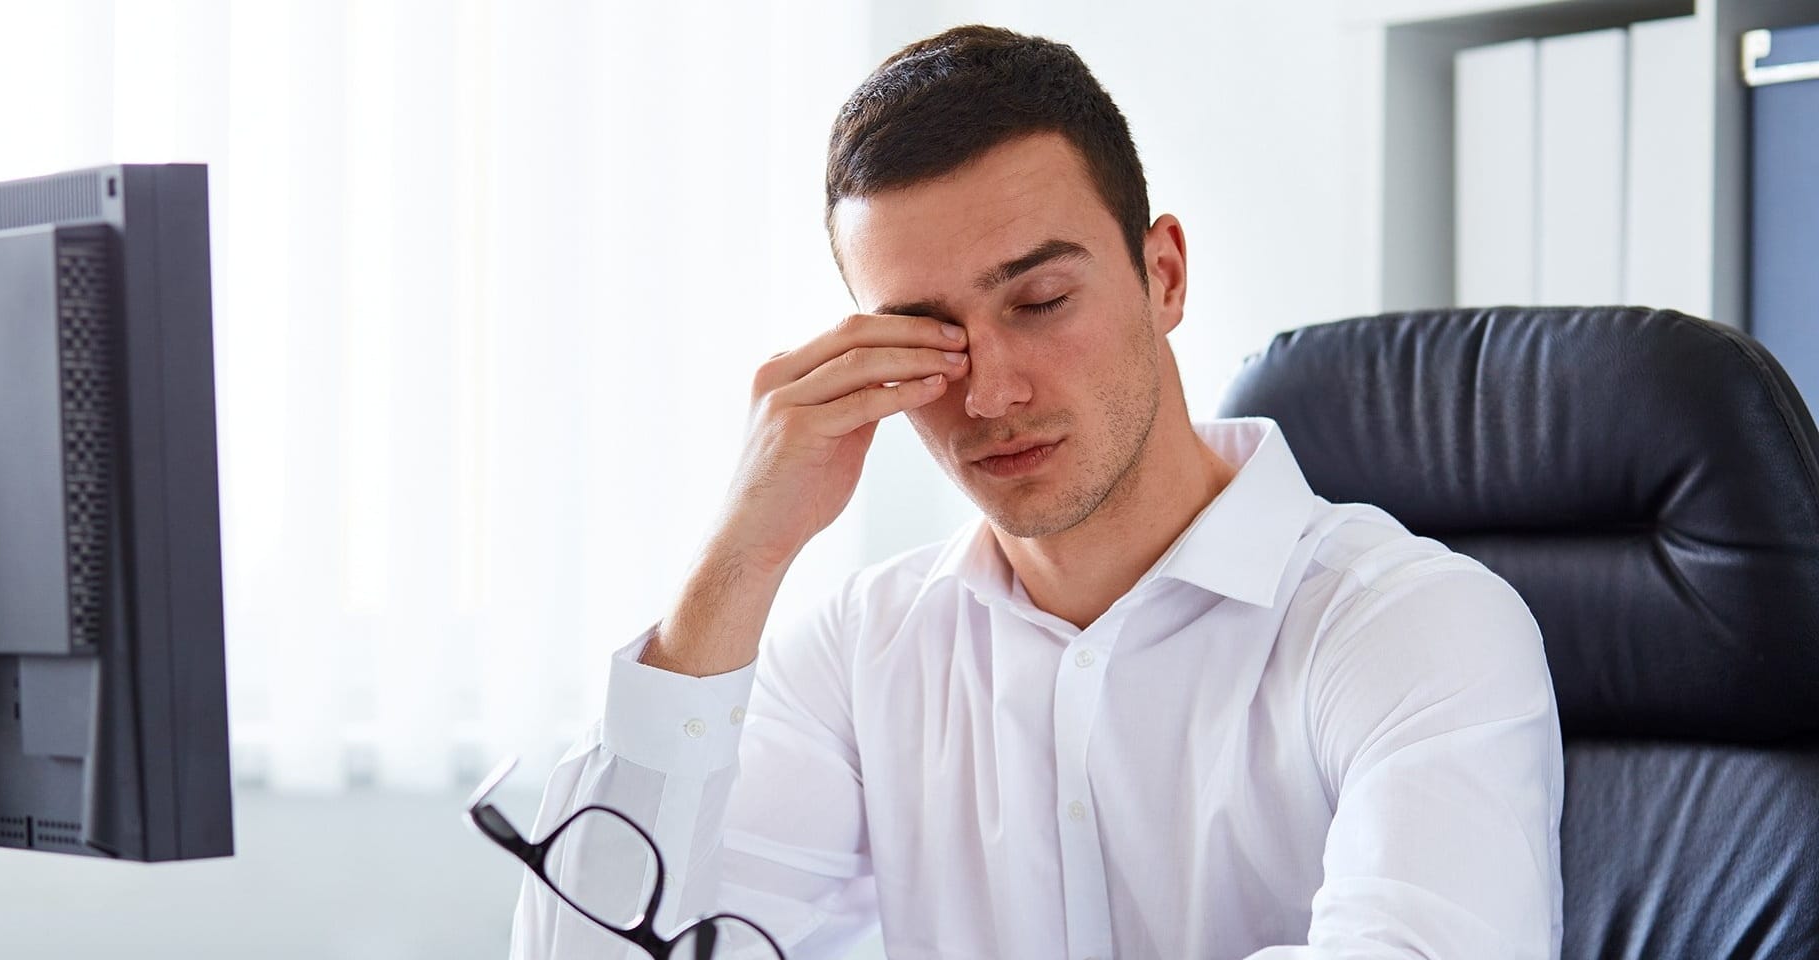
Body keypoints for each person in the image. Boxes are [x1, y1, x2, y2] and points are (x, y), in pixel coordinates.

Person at [508, 24, 1562, 960]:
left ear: (1165, 276)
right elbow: (592, 948)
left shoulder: (1415, 627)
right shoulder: (865, 651)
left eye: (1042, 301)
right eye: (927, 339)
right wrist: (742, 554)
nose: (993, 392)